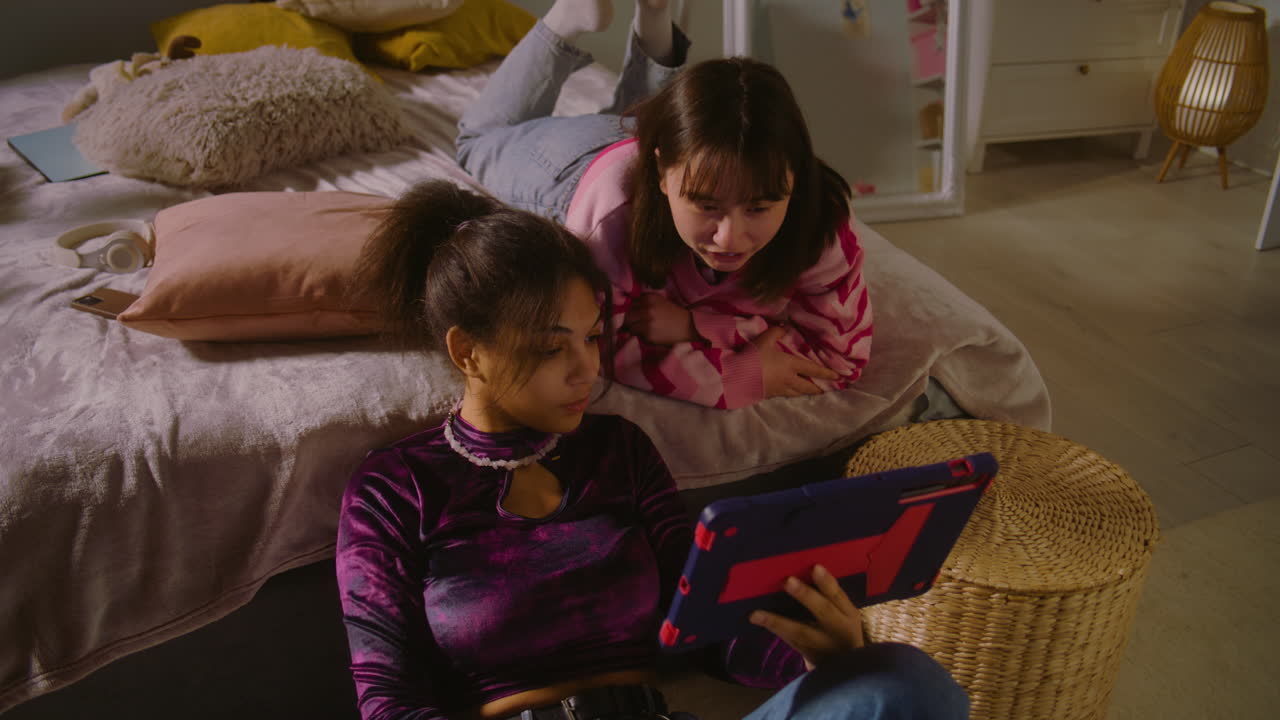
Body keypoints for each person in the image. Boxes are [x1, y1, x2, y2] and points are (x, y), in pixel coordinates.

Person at [335, 179, 969, 720]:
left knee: (905, 680)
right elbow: (390, 699)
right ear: (468, 351)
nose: (586, 369)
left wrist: (815, 653)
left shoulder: (619, 450)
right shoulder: (396, 487)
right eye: (553, 348)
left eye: (591, 337)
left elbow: (703, 628)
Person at [455, 0, 872, 410]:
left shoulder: (821, 220)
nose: (729, 237)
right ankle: (568, 17)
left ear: (794, 181)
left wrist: (700, 325)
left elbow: (839, 358)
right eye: (706, 206)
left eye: (759, 208)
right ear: (660, 174)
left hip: (669, 144)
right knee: (477, 139)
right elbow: (603, 345)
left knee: (639, 117)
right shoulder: (609, 220)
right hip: (576, 165)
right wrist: (740, 374)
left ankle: (654, 17)